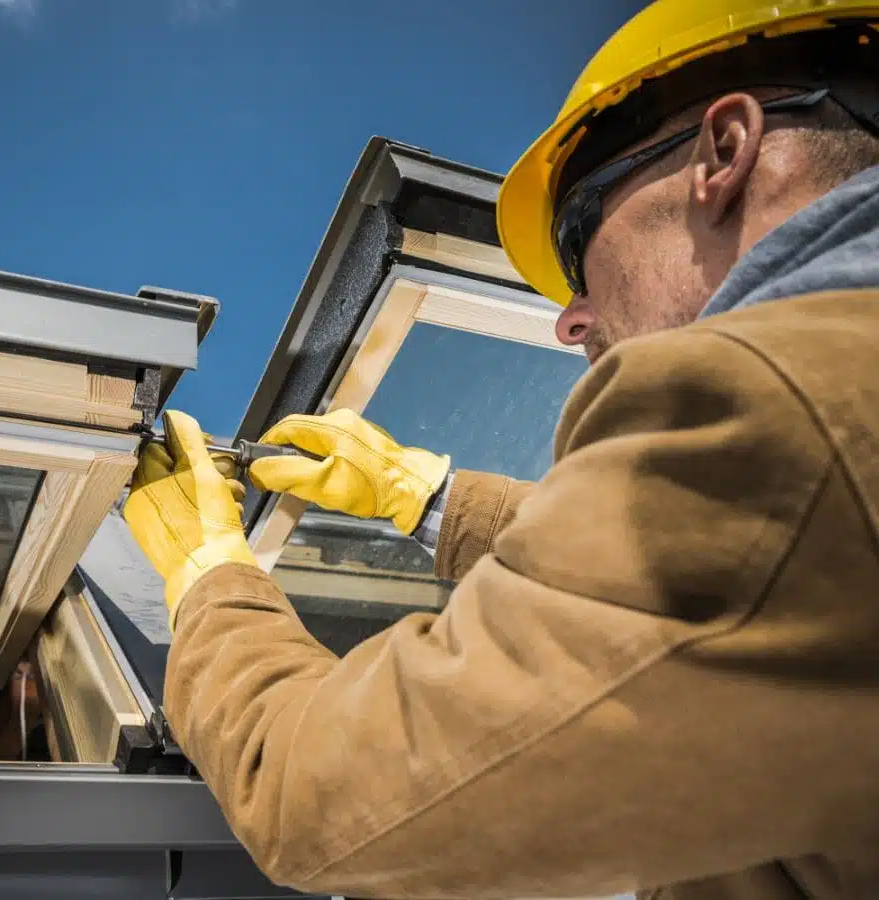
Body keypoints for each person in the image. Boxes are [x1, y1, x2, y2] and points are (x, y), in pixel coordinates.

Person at [122, 2, 879, 898]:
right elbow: (715, 579)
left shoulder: (782, 408)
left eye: (578, 242)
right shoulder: (833, 416)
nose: (570, 321)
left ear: (724, 152)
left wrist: (211, 578)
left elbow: (326, 798)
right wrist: (425, 497)